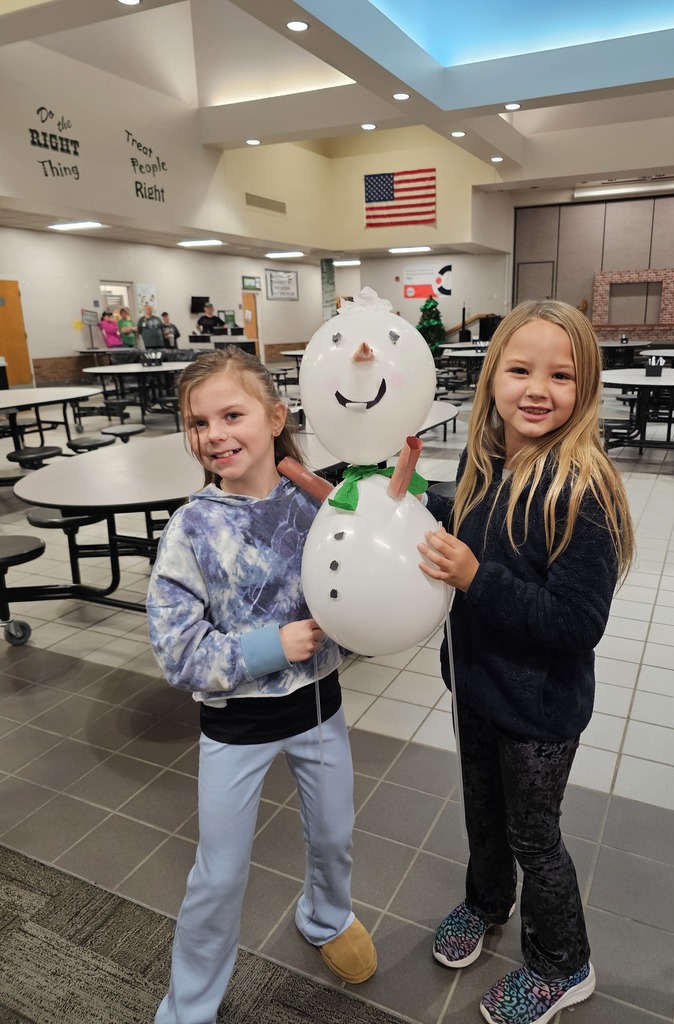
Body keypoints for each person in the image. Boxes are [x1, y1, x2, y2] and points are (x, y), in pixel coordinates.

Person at [418, 300, 634, 1024]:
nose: (538, 389)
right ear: (492, 380)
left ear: (586, 386)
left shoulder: (583, 491)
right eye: (519, 370)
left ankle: (563, 964)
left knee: (534, 838)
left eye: (561, 375)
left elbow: (578, 623)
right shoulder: (485, 462)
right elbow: (467, 522)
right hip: (476, 685)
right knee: (482, 811)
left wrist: (476, 578)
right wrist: (409, 502)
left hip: (539, 711)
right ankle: (487, 902)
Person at [146, 346, 376, 1024]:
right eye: (198, 422)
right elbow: (177, 651)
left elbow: (358, 586)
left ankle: (326, 917)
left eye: (232, 415)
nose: (214, 434)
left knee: (333, 836)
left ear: (276, 417)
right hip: (236, 727)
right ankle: (189, 1006)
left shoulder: (319, 505)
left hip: (319, 710)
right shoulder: (192, 527)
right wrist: (270, 646)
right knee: (219, 875)